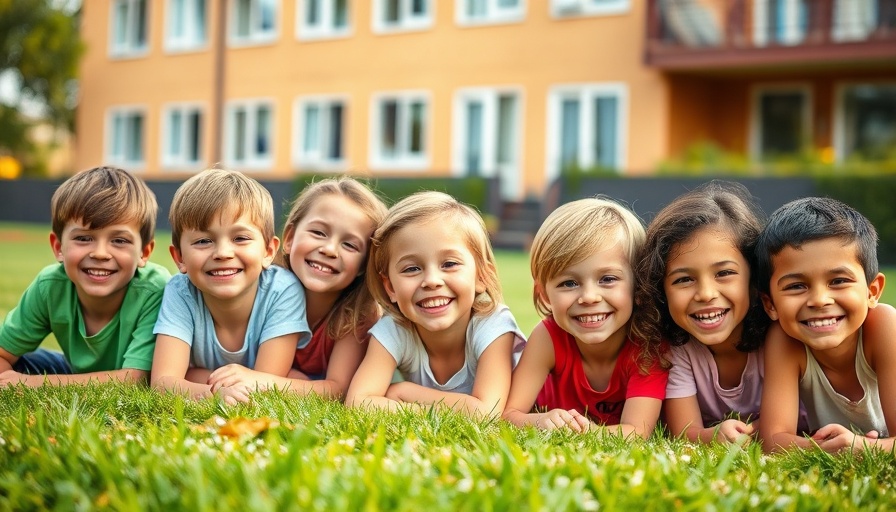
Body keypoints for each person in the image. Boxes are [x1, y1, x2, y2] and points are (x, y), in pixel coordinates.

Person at [345, 191, 526, 418]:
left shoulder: (492, 324)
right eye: (412, 269)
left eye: (449, 264)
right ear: (390, 287)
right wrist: (427, 410)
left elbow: (486, 413)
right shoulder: (394, 329)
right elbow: (358, 402)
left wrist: (403, 391)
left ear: (481, 277)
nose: (431, 281)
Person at [208, 177, 387, 399]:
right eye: (319, 233)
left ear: (364, 264)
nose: (330, 249)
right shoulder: (258, 289)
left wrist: (262, 381)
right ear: (290, 238)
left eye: (350, 245)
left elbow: (337, 389)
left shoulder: (358, 314)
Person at [503, 198, 668, 438]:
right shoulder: (548, 337)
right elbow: (509, 414)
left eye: (608, 279)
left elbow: (637, 432)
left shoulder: (648, 347)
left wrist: (586, 433)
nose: (589, 297)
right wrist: (539, 421)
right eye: (569, 283)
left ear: (639, 286)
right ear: (544, 294)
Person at [632, 181, 776, 444]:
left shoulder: (778, 340)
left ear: (754, 280)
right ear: (660, 291)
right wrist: (716, 435)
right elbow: (685, 433)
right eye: (684, 279)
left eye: (724, 273)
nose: (706, 293)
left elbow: (797, 420)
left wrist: (752, 433)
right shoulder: (677, 351)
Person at [151, 168, 310, 404]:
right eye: (203, 241)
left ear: (268, 251)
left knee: (297, 380)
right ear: (179, 258)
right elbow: (163, 382)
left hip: (263, 377)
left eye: (240, 238)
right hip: (213, 379)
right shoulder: (180, 291)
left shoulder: (283, 290)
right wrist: (214, 394)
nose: (223, 253)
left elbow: (265, 381)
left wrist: (194, 380)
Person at [0, 166, 170, 386]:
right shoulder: (50, 286)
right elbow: (4, 354)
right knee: (23, 363)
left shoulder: (155, 290)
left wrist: (33, 385)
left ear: (144, 252)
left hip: (133, 372)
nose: (100, 253)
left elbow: (135, 380)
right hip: (69, 370)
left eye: (119, 240)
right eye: (83, 238)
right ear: (59, 247)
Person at [756, 196, 896, 454]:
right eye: (797, 286)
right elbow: (773, 440)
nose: (820, 300)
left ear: (872, 291)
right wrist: (831, 448)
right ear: (770, 305)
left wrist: (863, 448)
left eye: (839, 281)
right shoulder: (785, 340)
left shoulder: (885, 328)